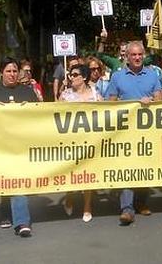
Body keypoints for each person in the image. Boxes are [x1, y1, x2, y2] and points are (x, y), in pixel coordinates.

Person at [105, 41, 162, 225]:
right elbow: (110, 103)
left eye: (140, 55)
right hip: (126, 132)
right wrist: (130, 104)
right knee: (127, 168)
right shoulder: (117, 76)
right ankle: (127, 209)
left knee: (145, 167)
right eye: (133, 55)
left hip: (148, 130)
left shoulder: (153, 74)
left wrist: (153, 101)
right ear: (126, 57)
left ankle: (140, 203)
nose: (137, 58)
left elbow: (160, 100)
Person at [0, 56, 38, 237]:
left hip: (21, 147)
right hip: (0, 147)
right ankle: (6, 211)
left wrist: (29, 110)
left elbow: (41, 117)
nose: (12, 74)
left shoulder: (28, 93)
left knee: (17, 181)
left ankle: (21, 222)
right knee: (5, 180)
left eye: (15, 71)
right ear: (1, 73)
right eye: (8, 71)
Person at [59, 64, 103, 222]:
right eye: (70, 74)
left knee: (88, 173)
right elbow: (56, 115)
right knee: (71, 171)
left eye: (75, 74)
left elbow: (105, 113)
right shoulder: (65, 95)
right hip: (71, 140)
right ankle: (69, 196)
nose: (71, 77)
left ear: (84, 77)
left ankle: (87, 206)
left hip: (90, 140)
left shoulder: (95, 94)